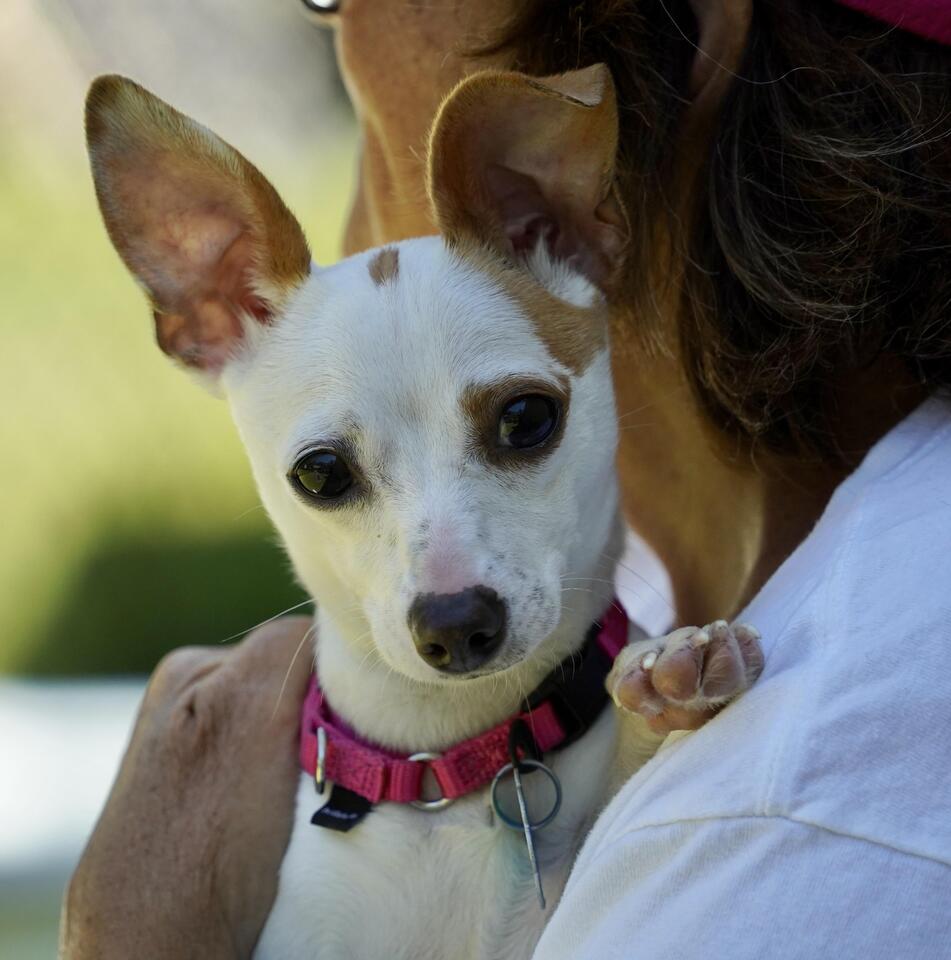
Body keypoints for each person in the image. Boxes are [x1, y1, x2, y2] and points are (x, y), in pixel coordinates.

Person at [61, 0, 951, 956]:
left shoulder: (772, 825)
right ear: (205, 318)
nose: (452, 592)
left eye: (520, 425)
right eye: (330, 475)